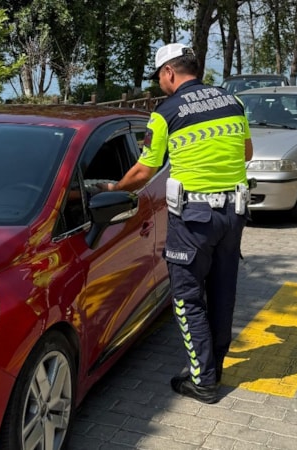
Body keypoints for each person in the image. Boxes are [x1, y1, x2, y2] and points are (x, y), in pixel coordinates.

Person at [100, 43, 253, 404]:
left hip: (194, 218)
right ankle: (215, 367)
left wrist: (114, 190)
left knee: (187, 297)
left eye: (159, 77)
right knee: (222, 293)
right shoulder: (232, 101)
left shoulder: (165, 113)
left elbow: (144, 171)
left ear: (169, 72)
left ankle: (202, 380)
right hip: (233, 214)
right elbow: (247, 152)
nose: (160, 83)